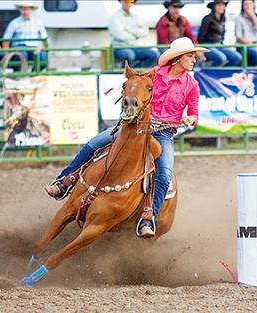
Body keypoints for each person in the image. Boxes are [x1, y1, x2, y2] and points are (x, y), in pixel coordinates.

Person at [44, 37, 208, 237]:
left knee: (164, 174)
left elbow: (194, 113)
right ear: (178, 58)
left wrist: (190, 118)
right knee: (94, 143)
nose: (195, 59)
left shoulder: (191, 85)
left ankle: (148, 218)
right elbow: (134, 89)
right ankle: (64, 182)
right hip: (136, 127)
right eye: (191, 55)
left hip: (163, 133)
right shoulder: (154, 75)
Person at [109, 0, 160, 68]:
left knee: (155, 54)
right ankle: (128, 72)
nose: (128, 2)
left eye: (131, 0)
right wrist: (137, 35)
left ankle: (135, 72)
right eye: (125, 0)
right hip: (120, 47)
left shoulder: (136, 16)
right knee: (129, 55)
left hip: (136, 46)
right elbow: (120, 35)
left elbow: (145, 32)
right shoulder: (114, 17)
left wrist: (129, 30)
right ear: (121, 1)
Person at [2, 0, 48, 71]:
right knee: (20, 57)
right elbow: (6, 39)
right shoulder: (14, 23)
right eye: (23, 9)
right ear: (20, 10)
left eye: (28, 9)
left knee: (43, 61)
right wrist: (6, 53)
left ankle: (33, 75)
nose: (25, 11)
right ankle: (18, 77)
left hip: (34, 47)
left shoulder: (38, 22)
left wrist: (45, 50)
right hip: (19, 47)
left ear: (31, 10)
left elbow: (44, 38)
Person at [198, 0, 242, 67]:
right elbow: (200, 37)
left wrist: (224, 46)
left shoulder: (223, 19)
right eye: (218, 5)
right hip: (208, 45)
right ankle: (210, 72)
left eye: (223, 5)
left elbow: (222, 36)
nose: (221, 7)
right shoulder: (207, 19)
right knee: (221, 58)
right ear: (214, 7)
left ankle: (224, 73)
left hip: (219, 45)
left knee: (237, 57)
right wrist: (200, 49)